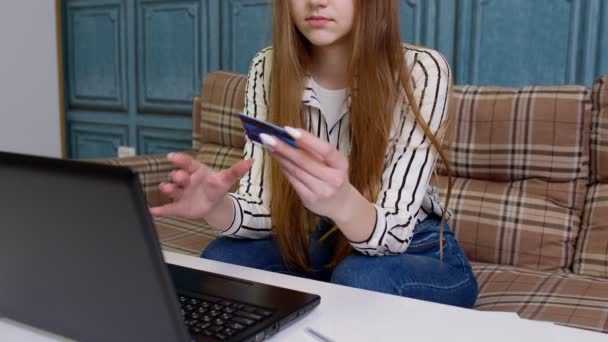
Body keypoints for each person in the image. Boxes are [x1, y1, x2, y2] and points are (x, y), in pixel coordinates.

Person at [150, 0, 478, 308]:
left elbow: (394, 232)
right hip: (316, 237)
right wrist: (216, 206)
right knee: (223, 260)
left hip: (413, 243)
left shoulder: (422, 70)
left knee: (358, 278)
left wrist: (342, 202)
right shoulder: (268, 67)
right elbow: (263, 208)